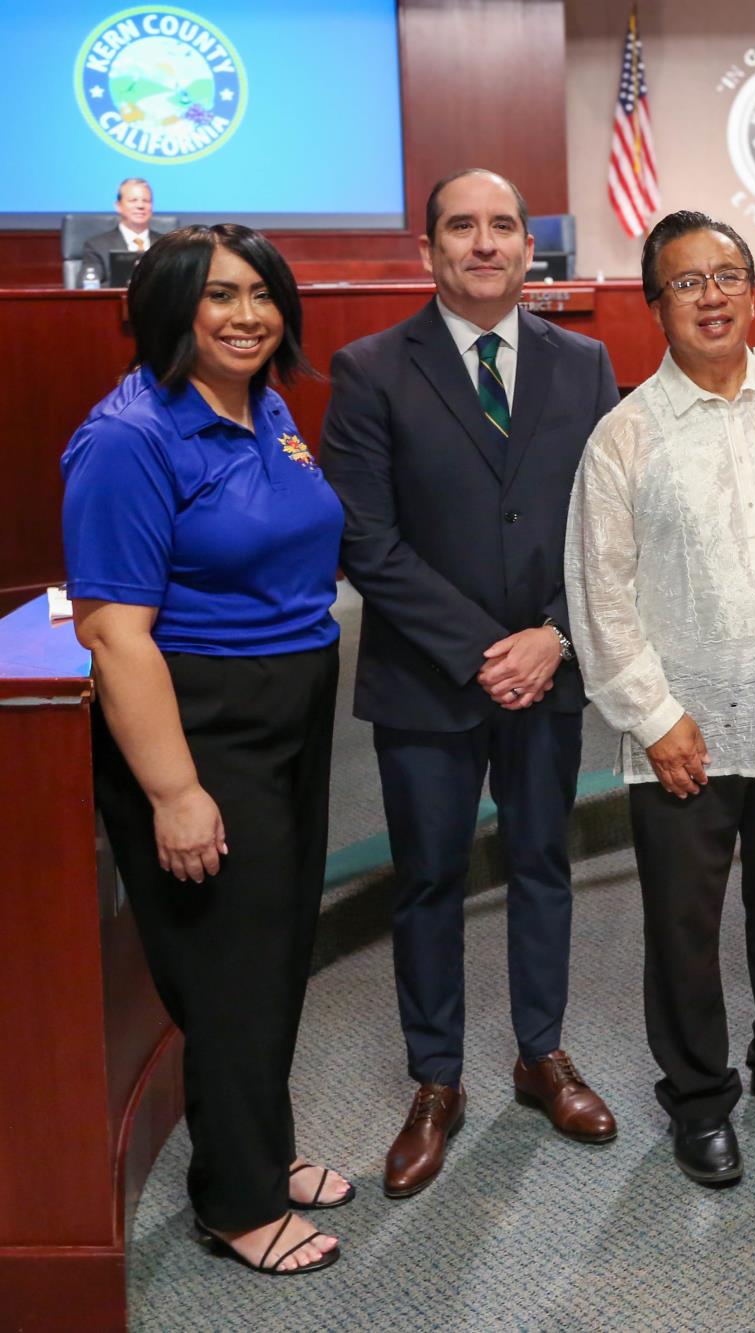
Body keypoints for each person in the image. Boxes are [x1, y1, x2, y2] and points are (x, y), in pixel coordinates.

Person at [319, 168, 621, 1199]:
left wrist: (553, 637)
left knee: (542, 863)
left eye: (503, 226)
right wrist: (488, 647)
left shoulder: (585, 364)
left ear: (528, 248)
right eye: (462, 227)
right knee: (430, 881)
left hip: (551, 670)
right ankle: (435, 1079)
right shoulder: (367, 369)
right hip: (425, 680)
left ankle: (542, 1054)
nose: (484, 242)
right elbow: (367, 538)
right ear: (428, 249)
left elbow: (604, 527)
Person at [62, 225, 348, 1275]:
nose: (247, 314)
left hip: (294, 704)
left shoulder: (261, 404)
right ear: (170, 306)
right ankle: (236, 1203)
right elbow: (112, 631)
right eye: (220, 296)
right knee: (228, 970)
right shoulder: (127, 437)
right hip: (201, 721)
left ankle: (260, 1150)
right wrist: (175, 791)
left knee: (271, 953)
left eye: (262, 293)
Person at [565, 209, 755, 1188]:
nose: (711, 296)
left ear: (754, 288)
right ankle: (697, 1093)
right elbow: (599, 590)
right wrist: (650, 714)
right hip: (683, 724)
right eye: (686, 282)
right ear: (655, 304)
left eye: (726, 275)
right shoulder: (625, 434)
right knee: (683, 923)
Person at [79, 177, 170, 281]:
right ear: (118, 206)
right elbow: (88, 287)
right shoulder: (97, 246)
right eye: (133, 200)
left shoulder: (167, 246)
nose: (140, 206)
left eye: (146, 201)